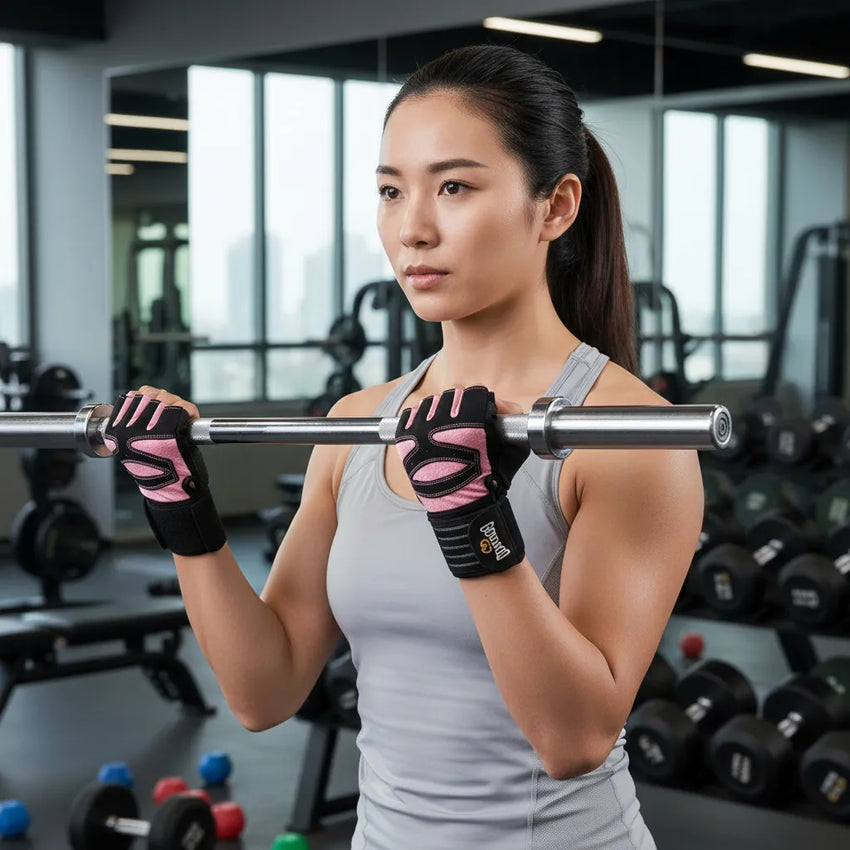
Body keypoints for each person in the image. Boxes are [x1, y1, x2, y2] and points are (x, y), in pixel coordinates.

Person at [105, 44, 703, 850]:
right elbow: (264, 688)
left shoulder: (622, 433)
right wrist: (182, 512)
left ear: (555, 207)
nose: (412, 227)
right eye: (392, 191)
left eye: (454, 187)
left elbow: (575, 740)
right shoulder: (361, 421)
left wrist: (472, 521)